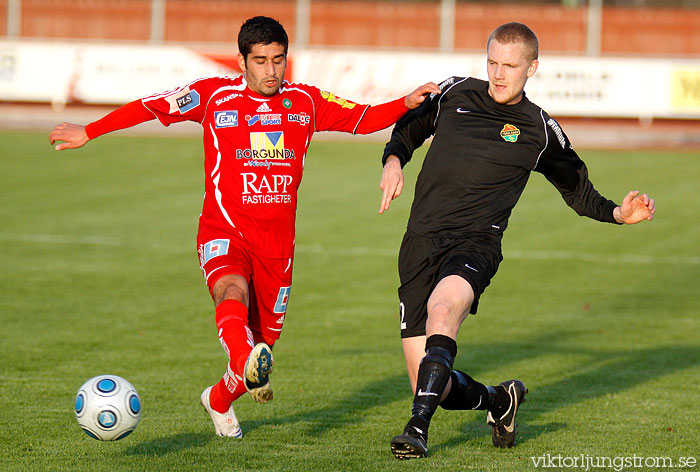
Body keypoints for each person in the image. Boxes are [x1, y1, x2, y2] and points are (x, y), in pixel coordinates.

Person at [49, 16, 440, 439]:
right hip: (223, 231)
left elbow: (363, 118)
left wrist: (405, 102)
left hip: (276, 248)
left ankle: (219, 398)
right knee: (230, 292)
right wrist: (89, 130)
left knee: (264, 346)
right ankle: (245, 359)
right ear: (241, 61)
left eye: (278, 60)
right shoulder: (212, 97)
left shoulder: (305, 102)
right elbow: (149, 105)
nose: (271, 71)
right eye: (260, 61)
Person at [378, 22, 656, 459]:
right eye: (492, 63)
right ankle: (499, 400)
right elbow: (408, 130)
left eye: (510, 65)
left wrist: (620, 214)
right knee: (429, 383)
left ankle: (416, 429)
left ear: (533, 67)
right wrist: (393, 161)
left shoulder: (539, 129)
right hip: (419, 243)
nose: (499, 74)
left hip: (475, 245)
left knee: (443, 309)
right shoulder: (454, 93)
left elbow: (578, 192)